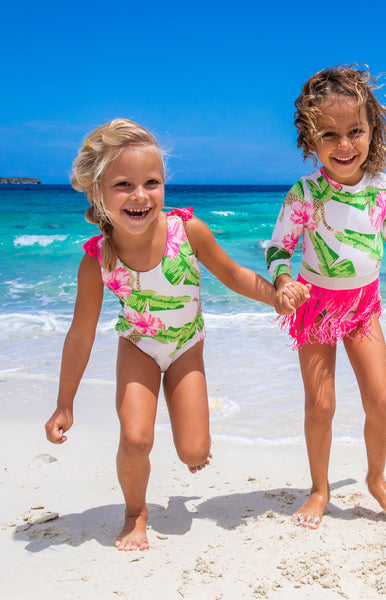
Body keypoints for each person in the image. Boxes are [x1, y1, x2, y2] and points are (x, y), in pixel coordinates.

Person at [44, 119, 305, 551]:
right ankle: (135, 513)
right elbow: (79, 336)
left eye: (152, 182)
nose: (140, 195)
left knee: (194, 453)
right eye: (123, 185)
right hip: (138, 347)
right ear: (98, 194)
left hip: (186, 346)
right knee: (135, 438)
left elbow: (235, 275)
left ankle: (192, 449)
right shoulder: (96, 261)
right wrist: (64, 403)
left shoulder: (188, 232)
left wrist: (276, 297)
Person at [266, 65, 386, 529]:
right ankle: (319, 488)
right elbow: (278, 247)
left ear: (373, 129)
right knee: (321, 404)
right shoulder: (305, 193)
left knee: (383, 400)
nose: (345, 144)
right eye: (329, 135)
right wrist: (282, 280)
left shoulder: (384, 189)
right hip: (315, 307)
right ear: (310, 140)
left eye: (355, 131)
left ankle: (375, 477)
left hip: (363, 306)